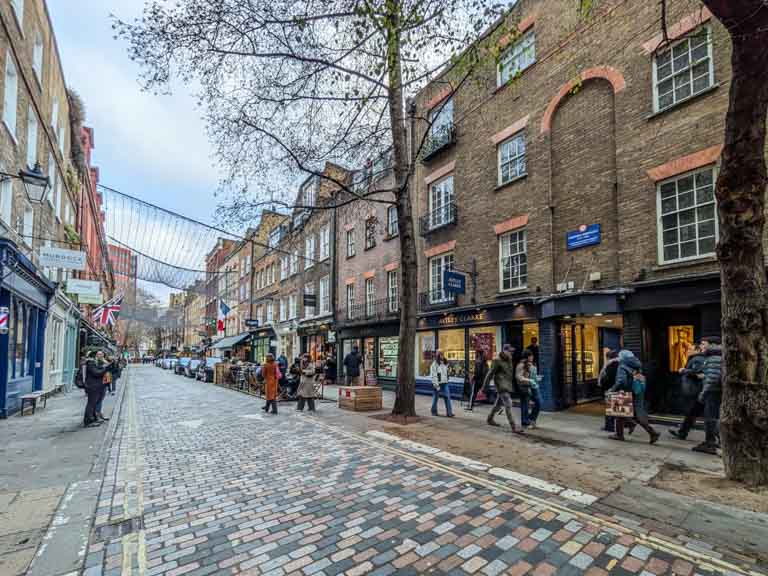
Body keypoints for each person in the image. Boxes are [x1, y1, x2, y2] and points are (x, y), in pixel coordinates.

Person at [609, 350, 660, 444]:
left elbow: (621, 381)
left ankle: (622, 433)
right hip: (636, 391)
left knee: (620, 413)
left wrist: (612, 389)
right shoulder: (636, 364)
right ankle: (652, 432)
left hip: (625, 391)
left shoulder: (622, 365)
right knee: (627, 414)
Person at [669, 342, 707, 441]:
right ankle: (682, 432)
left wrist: (683, 370)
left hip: (695, 391)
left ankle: (715, 437)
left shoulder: (697, 359)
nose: (688, 351)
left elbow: (698, 372)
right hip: (697, 391)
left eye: (690, 349)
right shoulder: (696, 358)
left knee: (699, 414)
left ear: (697, 350)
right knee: (692, 414)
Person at [482, 344, 521, 433]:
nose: (511, 353)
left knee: (498, 404)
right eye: (510, 351)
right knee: (508, 403)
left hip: (507, 385)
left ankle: (490, 419)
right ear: (504, 351)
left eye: (512, 351)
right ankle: (514, 426)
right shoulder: (497, 360)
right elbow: (490, 374)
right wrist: (485, 386)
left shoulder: (509, 359)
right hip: (501, 385)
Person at [693, 336, 722, 455]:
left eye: (704, 344)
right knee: (714, 418)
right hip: (717, 391)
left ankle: (711, 443)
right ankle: (712, 442)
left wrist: (703, 394)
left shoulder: (713, 358)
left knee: (710, 419)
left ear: (712, 345)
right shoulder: (718, 356)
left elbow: (712, 380)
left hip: (712, 392)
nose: (701, 346)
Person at [84, 352, 111, 427]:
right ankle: (88, 421)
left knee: (94, 403)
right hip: (92, 386)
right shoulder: (90, 363)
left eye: (101, 355)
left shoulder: (93, 363)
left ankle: (93, 419)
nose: (100, 356)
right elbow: (97, 373)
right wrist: (106, 368)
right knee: (91, 404)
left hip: (97, 386)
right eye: (97, 355)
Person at [517, 350, 541, 428]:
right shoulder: (521, 365)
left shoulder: (532, 364)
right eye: (531, 356)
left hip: (534, 386)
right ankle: (525, 422)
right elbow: (519, 377)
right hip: (525, 387)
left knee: (539, 402)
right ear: (527, 357)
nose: (532, 357)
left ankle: (531, 418)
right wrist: (530, 380)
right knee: (525, 405)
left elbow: (532, 375)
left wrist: (537, 378)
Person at [598, 350, 620, 432]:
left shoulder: (610, 365)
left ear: (608, 357)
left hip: (611, 389)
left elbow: (607, 378)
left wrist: (603, 385)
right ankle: (626, 424)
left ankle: (609, 426)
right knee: (618, 409)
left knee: (610, 409)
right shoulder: (620, 364)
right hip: (618, 389)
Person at [430, 350, 454, 417]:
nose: (442, 356)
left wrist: (448, 373)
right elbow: (433, 376)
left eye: (443, 354)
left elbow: (446, 373)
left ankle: (449, 413)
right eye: (440, 354)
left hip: (445, 383)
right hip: (437, 383)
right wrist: (436, 385)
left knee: (447, 397)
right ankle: (433, 411)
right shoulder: (434, 364)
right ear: (437, 355)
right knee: (435, 398)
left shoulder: (445, 363)